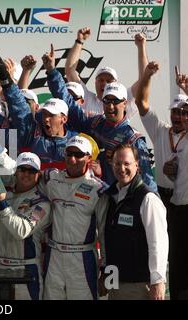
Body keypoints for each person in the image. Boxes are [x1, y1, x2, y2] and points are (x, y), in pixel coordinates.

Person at [44, 44, 157, 192]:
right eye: (107, 101)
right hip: (96, 194)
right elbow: (68, 102)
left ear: (125, 103)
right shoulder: (96, 123)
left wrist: (153, 203)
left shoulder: (133, 139)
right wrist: (52, 72)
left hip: (122, 197)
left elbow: (147, 179)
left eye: (115, 101)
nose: (110, 106)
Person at [0, 152, 51, 300]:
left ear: (38, 174)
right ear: (16, 172)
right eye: (22, 169)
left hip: (25, 269)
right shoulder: (6, 195)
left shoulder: (42, 203)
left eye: (31, 171)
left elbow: (21, 231)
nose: (26, 174)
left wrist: (1, 203)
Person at [39, 136, 108, 300]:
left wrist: (105, 269)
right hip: (53, 255)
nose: (72, 159)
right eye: (69, 153)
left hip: (82, 259)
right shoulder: (51, 179)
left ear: (89, 158)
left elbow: (104, 232)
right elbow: (22, 174)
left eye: (78, 154)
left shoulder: (98, 189)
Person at [102, 144, 168, 300]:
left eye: (126, 163)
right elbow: (109, 240)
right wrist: (106, 274)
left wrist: (158, 281)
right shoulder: (110, 197)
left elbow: (158, 243)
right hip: (115, 282)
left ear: (137, 165)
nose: (121, 168)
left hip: (139, 284)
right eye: (117, 163)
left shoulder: (147, 199)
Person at [134, 61, 187, 209]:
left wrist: (186, 88)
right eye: (175, 112)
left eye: (183, 113)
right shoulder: (160, 130)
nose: (178, 116)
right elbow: (141, 102)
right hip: (161, 196)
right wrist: (147, 75)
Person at [64, 28, 148, 117]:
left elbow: (144, 80)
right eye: (101, 80)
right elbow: (70, 71)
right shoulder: (86, 98)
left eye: (109, 81)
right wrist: (79, 41)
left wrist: (141, 46)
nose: (104, 83)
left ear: (116, 84)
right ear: (95, 82)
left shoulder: (123, 99)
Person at [167, 95, 188, 300]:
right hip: (179, 208)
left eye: (186, 112)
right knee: (177, 266)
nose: (182, 117)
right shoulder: (180, 142)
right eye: (179, 112)